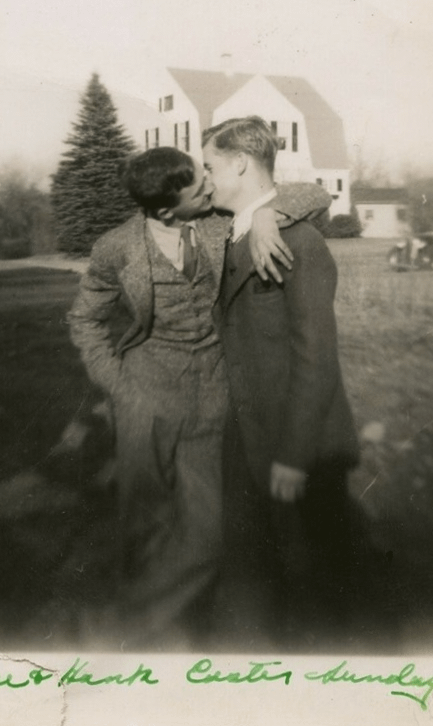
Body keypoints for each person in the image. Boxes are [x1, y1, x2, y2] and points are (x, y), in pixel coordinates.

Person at [68, 146, 330, 649]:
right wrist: (119, 386)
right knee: (144, 528)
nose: (210, 186)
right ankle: (164, 640)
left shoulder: (217, 224)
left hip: (212, 406)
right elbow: (85, 320)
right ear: (167, 211)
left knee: (208, 535)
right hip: (144, 405)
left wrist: (268, 215)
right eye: (198, 185)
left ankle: (121, 629)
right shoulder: (117, 248)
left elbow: (315, 194)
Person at [202, 116, 361, 650]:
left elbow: (317, 359)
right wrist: (268, 211)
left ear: (239, 164)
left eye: (210, 167)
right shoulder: (227, 229)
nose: (204, 180)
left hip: (297, 446)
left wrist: (294, 456)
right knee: (259, 577)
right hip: (243, 439)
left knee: (315, 589)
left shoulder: (301, 243)